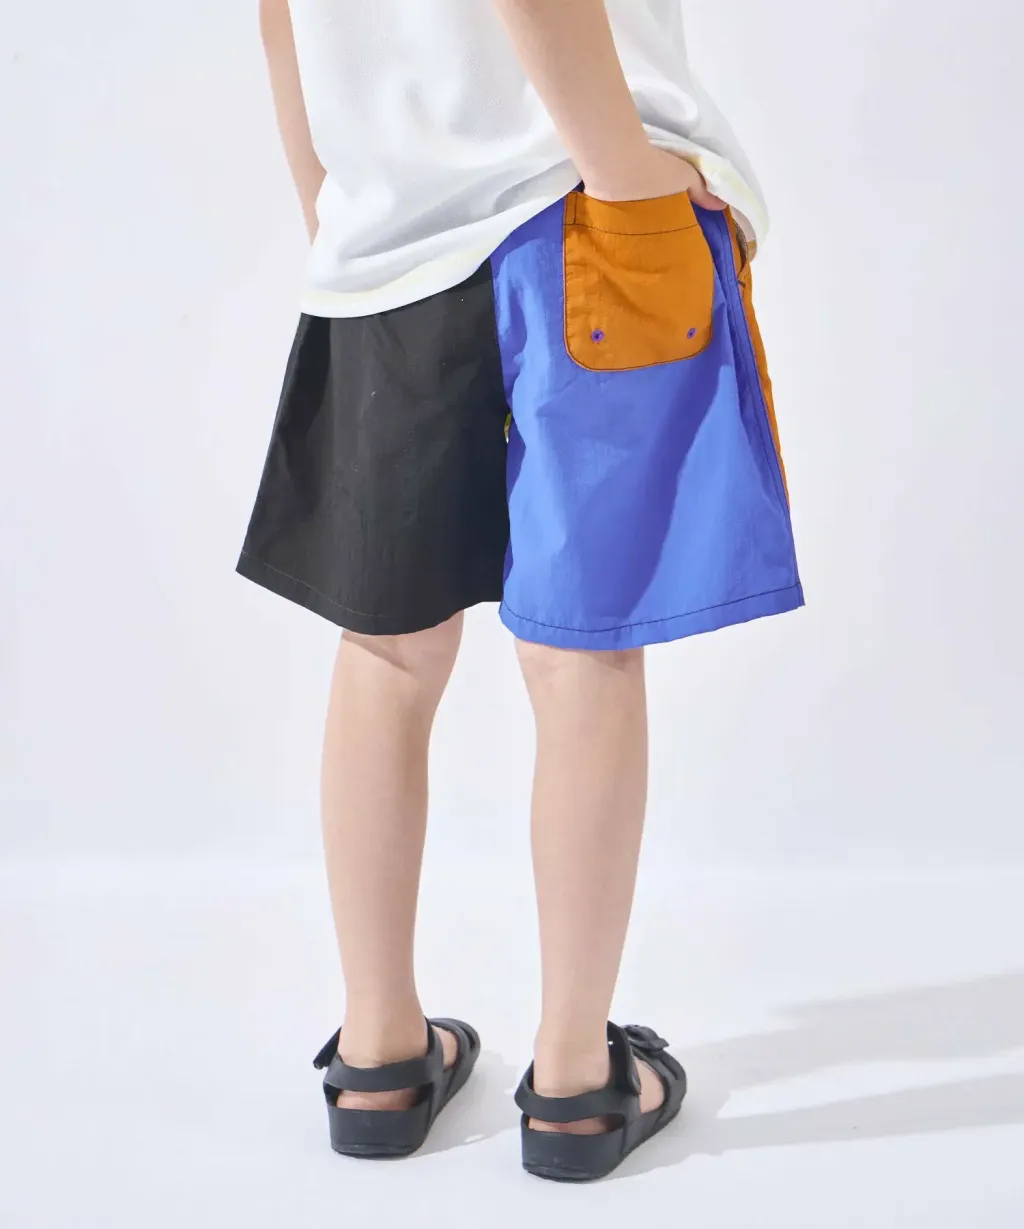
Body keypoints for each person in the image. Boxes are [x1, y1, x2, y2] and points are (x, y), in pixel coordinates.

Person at [239, 0, 803, 1181]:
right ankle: (575, 1080)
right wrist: (631, 176)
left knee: (387, 650)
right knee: (581, 649)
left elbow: (279, 16)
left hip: (386, 235)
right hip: (572, 208)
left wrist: (332, 201)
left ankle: (379, 1055)